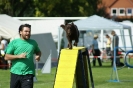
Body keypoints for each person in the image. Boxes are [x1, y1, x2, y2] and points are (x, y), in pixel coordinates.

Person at [4, 24, 41, 88]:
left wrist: (38, 56)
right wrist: (18, 56)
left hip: (28, 73)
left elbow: (38, 51)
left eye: (29, 31)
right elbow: (6, 57)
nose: (28, 33)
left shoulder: (33, 43)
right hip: (15, 73)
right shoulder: (14, 42)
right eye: (26, 31)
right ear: (20, 32)